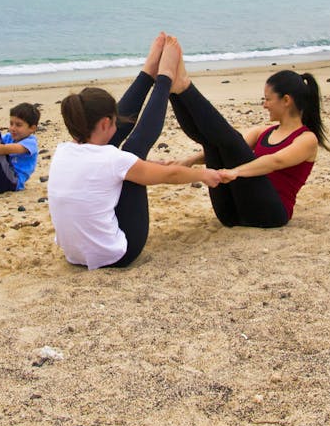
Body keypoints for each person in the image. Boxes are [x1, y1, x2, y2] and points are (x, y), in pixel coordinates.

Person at [46, 34, 227, 269]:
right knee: (134, 149)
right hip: (118, 255)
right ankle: (163, 78)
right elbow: (169, 176)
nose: (118, 123)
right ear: (104, 123)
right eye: (114, 121)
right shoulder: (113, 159)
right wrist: (205, 175)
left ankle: (148, 73)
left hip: (75, 255)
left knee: (128, 158)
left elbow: (107, 169)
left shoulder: (63, 152)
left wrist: (148, 167)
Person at [166, 37, 330, 228]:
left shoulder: (306, 139)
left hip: (271, 214)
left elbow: (274, 162)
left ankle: (185, 86)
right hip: (232, 214)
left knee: (232, 140)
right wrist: (189, 161)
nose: (264, 104)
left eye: (268, 99)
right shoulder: (263, 132)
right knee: (213, 143)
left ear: (286, 100)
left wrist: (235, 172)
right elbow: (226, 147)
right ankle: (174, 91)